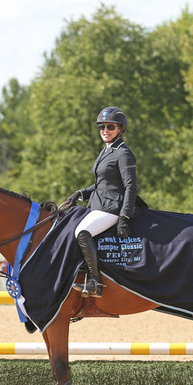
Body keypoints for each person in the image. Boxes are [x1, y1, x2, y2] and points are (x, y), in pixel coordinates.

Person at [66, 106, 145, 298]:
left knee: (82, 233)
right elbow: (102, 183)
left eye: (110, 127)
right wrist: (81, 193)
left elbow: (130, 187)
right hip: (98, 204)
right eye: (102, 127)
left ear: (120, 129)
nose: (105, 131)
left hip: (112, 207)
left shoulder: (123, 154)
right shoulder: (107, 150)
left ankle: (95, 282)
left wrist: (124, 216)